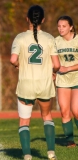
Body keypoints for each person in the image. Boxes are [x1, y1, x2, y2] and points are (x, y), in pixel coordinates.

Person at [10, 5, 60, 160]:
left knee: (25, 120)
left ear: (27, 19)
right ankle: (51, 152)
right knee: (47, 116)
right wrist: (53, 72)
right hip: (44, 83)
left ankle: (27, 154)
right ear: (43, 20)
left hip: (26, 84)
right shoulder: (50, 38)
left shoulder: (20, 37)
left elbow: (13, 59)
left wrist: (18, 65)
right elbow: (57, 64)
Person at [55, 15, 78, 148]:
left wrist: (69, 68)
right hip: (62, 80)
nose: (61, 28)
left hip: (76, 78)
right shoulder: (56, 41)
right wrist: (53, 72)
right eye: (59, 26)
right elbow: (53, 60)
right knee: (64, 111)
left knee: (76, 110)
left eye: (64, 26)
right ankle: (70, 141)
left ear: (71, 27)